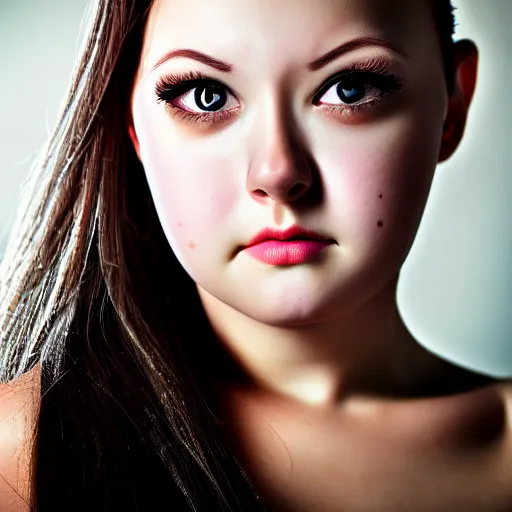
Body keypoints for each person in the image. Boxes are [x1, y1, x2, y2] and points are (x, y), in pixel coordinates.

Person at [0, 0, 510, 510]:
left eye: (349, 88)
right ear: (131, 126)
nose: (277, 173)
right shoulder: (22, 453)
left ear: (454, 104)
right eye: (206, 96)